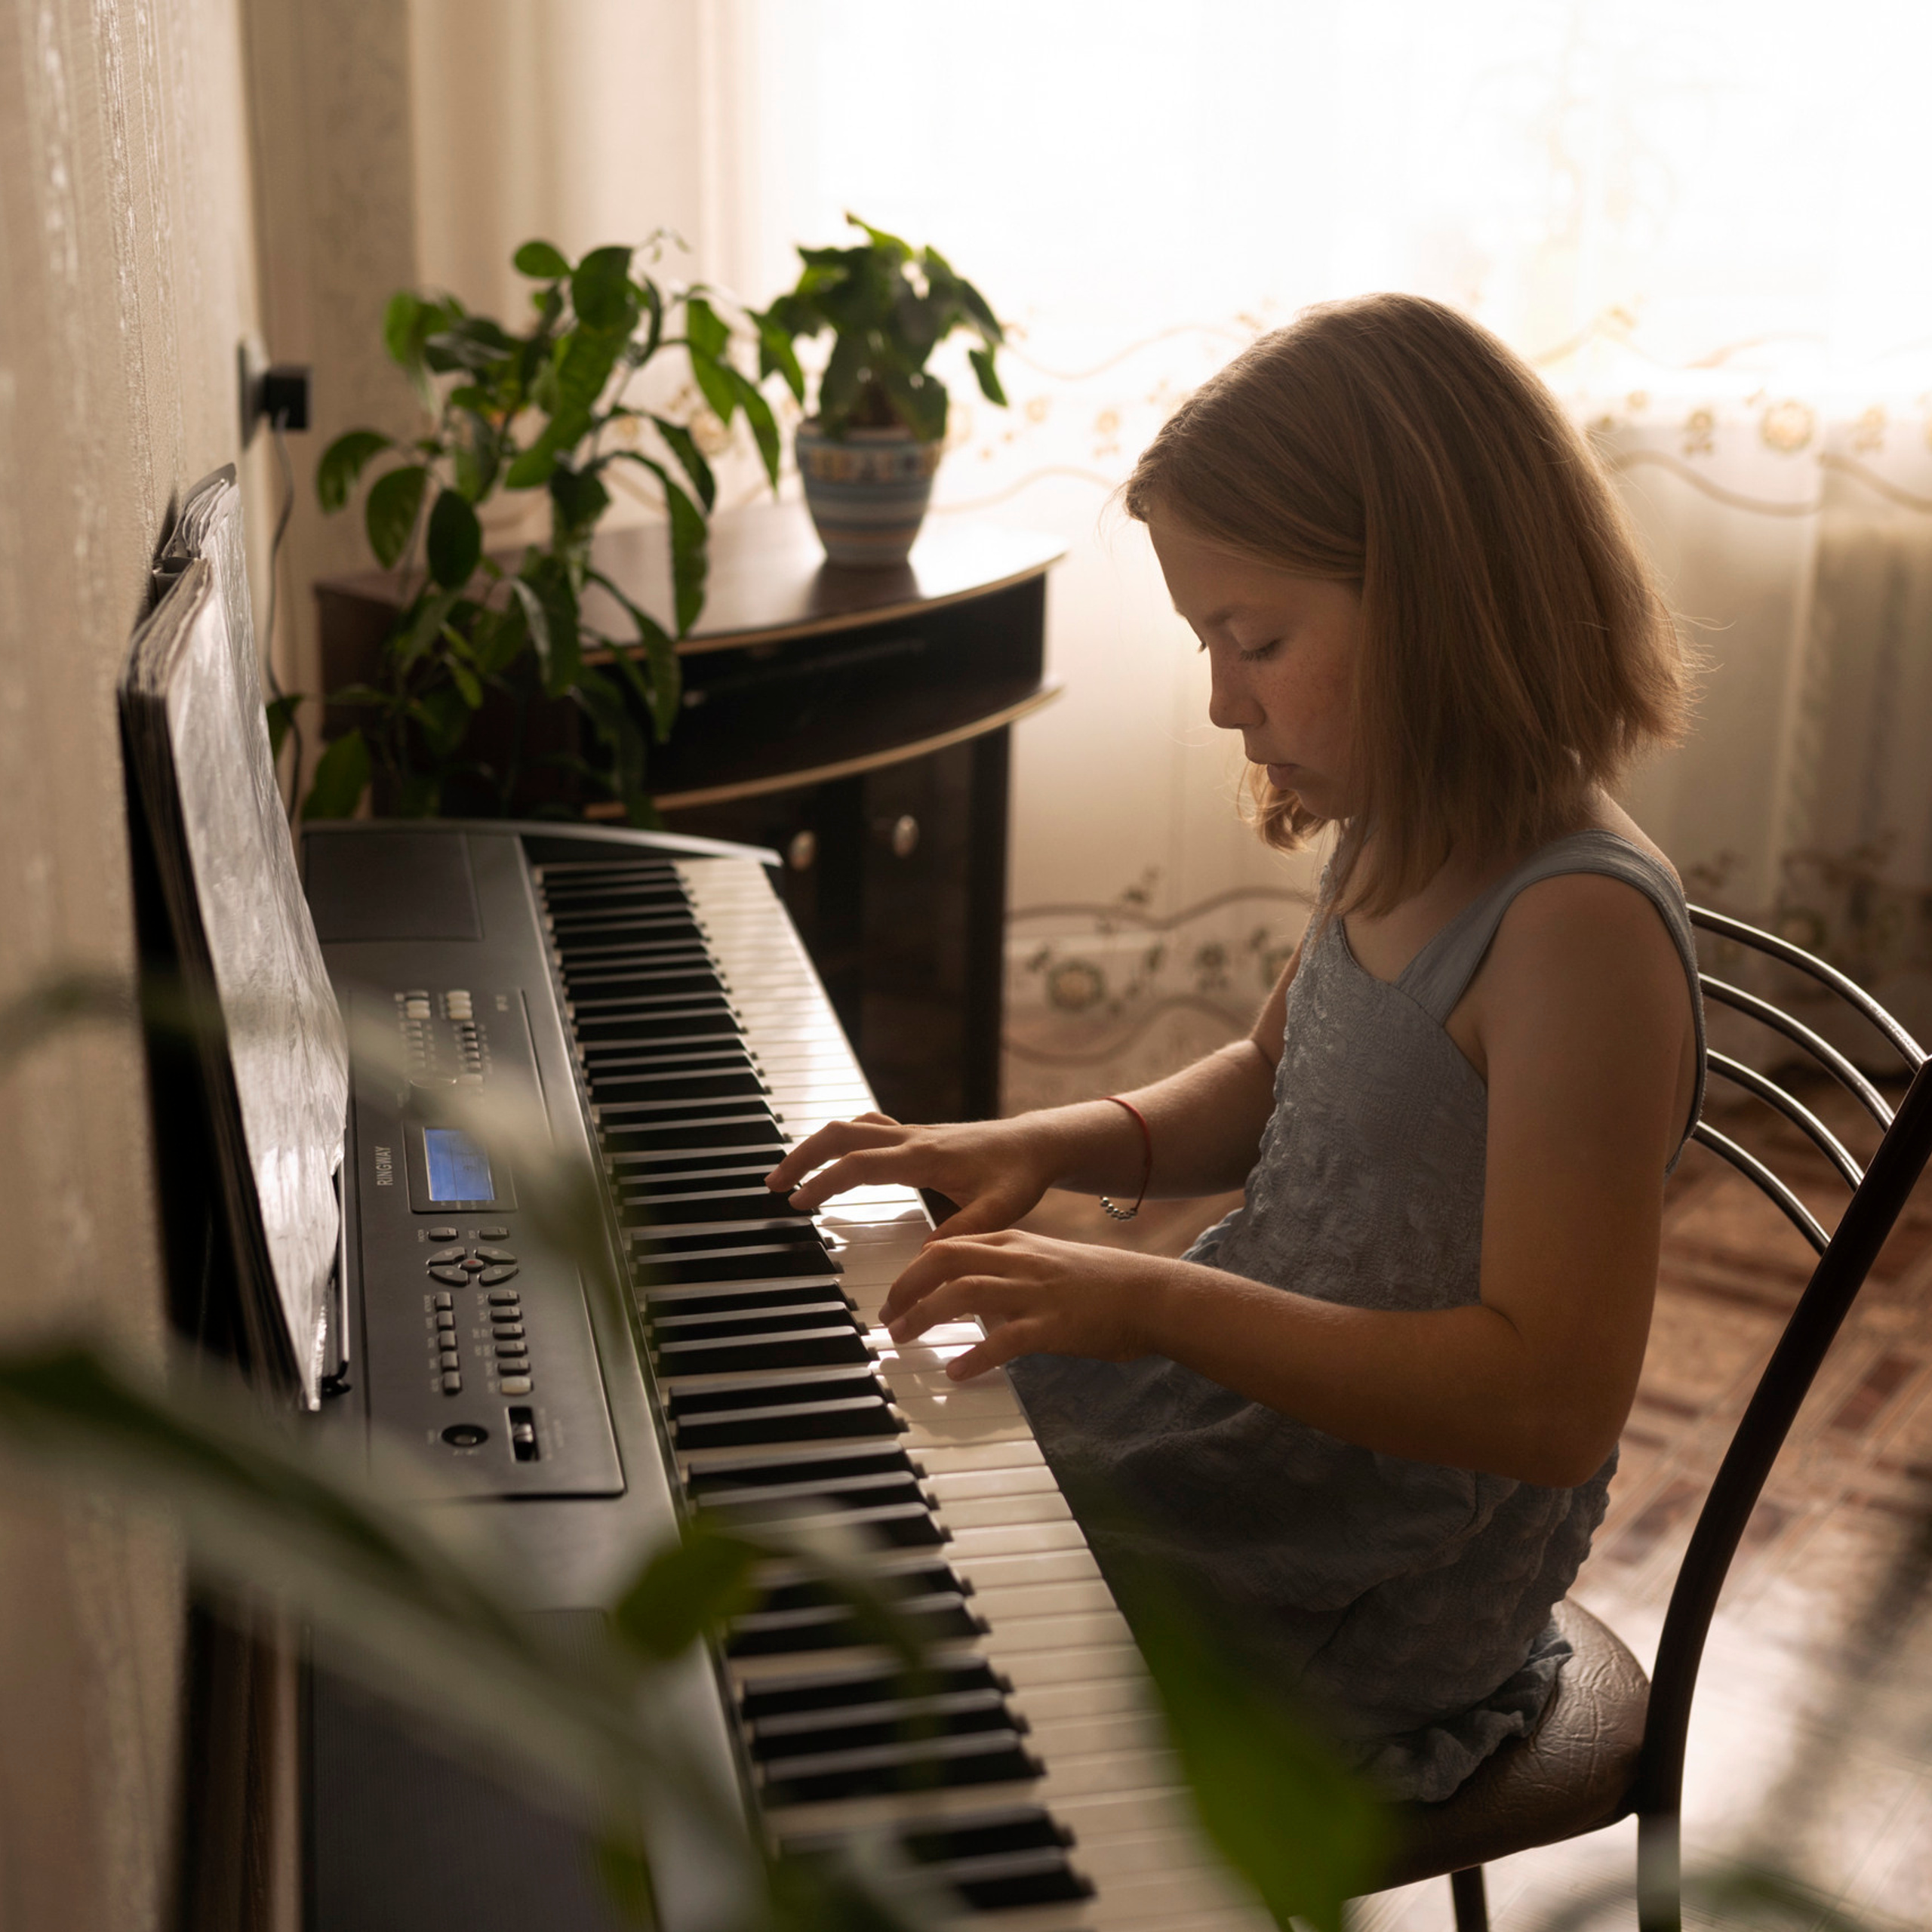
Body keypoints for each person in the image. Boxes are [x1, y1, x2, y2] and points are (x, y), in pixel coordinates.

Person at [762, 293, 1705, 1804]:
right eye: (1207, 641)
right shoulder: (1401, 823)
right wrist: (1046, 1140)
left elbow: (1547, 1404)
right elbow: (1274, 1081)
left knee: (883, 1628)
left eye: (1252, 638)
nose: (1219, 697)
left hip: (1370, 1565)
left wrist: (1149, 1300)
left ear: (1443, 604)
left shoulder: (1574, 930)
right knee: (853, 1497)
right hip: (1251, 1426)